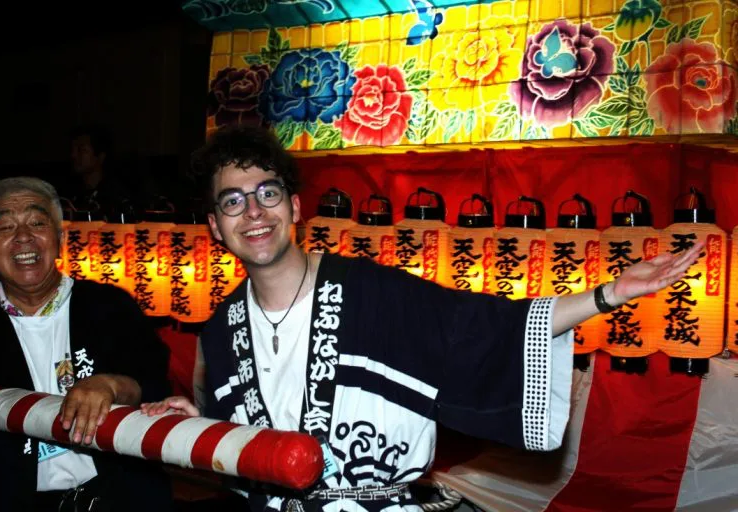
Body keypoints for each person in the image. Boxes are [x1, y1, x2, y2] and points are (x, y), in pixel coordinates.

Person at [142, 125, 702, 512]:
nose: (253, 212)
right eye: (233, 201)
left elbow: (486, 326)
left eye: (267, 193)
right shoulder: (222, 329)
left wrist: (608, 294)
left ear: (294, 206)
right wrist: (199, 422)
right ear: (215, 227)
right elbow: (243, 442)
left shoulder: (372, 291)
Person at [0, 177, 175, 511]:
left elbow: (156, 387)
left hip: (122, 497)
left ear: (60, 238)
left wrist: (111, 385)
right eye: (5, 227)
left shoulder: (110, 305)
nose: (23, 236)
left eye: (37, 223)